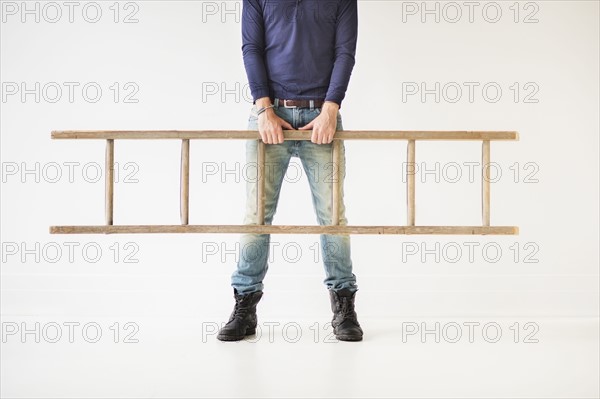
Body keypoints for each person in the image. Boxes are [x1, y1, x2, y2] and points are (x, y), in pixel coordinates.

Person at [217, 0, 362, 342]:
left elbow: (345, 53)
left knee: (333, 216)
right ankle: (245, 306)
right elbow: (251, 48)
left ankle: (344, 306)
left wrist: (330, 109)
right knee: (256, 215)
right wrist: (264, 109)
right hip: (270, 116)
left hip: (322, 117)